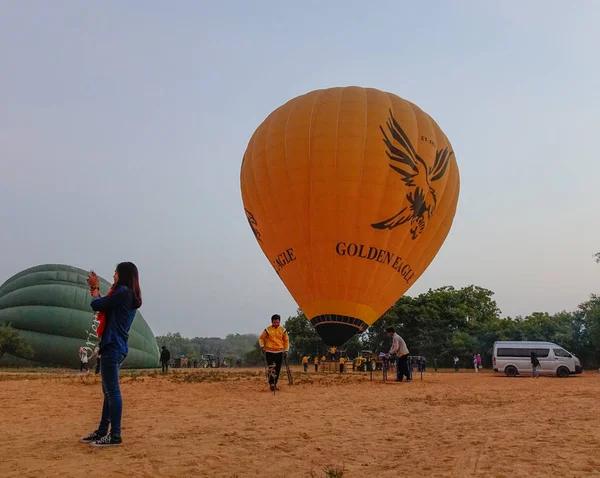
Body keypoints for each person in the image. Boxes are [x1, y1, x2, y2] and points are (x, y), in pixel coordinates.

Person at [79, 262, 142, 447]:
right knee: (108, 391)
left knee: (112, 391)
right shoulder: (128, 294)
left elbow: (98, 304)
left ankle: (115, 435)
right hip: (116, 346)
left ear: (122, 275)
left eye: (115, 272)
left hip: (112, 346)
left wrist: (94, 287)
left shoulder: (122, 292)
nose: (113, 275)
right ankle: (101, 431)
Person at [259, 314, 289, 391]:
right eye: (274, 322)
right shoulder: (267, 330)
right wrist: (262, 346)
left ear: (279, 322)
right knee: (271, 368)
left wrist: (286, 350)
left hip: (279, 352)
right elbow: (261, 338)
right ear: (272, 322)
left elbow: (286, 341)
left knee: (277, 369)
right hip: (269, 351)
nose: (276, 324)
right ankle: (271, 383)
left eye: (277, 322)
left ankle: (274, 384)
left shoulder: (283, 330)